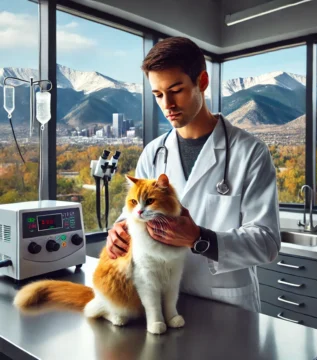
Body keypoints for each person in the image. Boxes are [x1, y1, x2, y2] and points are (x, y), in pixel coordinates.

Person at [106, 36, 281, 313]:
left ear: (202, 82)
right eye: (158, 95)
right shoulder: (154, 153)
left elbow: (267, 243)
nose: (167, 105)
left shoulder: (250, 152)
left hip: (227, 306)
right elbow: (132, 213)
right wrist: (119, 231)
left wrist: (199, 238)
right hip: (162, 300)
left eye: (176, 90)